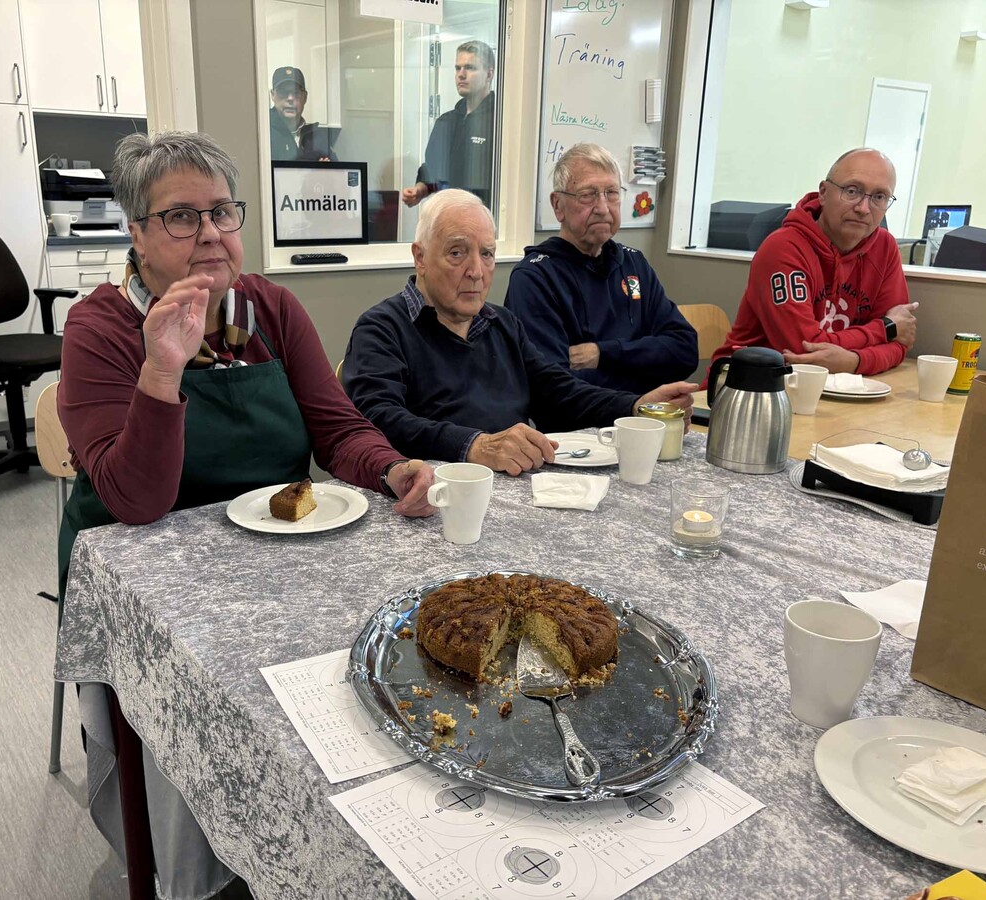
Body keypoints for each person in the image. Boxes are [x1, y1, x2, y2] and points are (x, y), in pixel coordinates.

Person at [57, 130, 434, 899]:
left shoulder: (270, 308)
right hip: (145, 576)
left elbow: (336, 428)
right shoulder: (99, 330)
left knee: (367, 675)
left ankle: (327, 839)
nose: (209, 234)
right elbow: (135, 501)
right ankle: (201, 867)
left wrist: (389, 466)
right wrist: (162, 368)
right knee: (202, 707)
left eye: (222, 212)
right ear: (136, 234)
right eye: (180, 217)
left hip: (278, 556)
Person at [342, 189, 697, 476]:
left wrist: (635, 405)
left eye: (487, 254)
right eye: (457, 253)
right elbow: (378, 418)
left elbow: (559, 391)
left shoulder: (503, 323)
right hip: (433, 496)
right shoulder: (382, 329)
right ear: (420, 257)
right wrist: (474, 445)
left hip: (516, 487)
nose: (476, 271)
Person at [504, 142, 698, 394]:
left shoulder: (634, 265)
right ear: (558, 205)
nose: (603, 208)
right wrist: (643, 369)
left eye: (612, 193)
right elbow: (553, 388)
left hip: (642, 411)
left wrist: (603, 354)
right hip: (582, 419)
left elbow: (685, 351)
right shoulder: (535, 278)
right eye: (588, 194)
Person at [710, 147, 918, 375]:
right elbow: (803, 350)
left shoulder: (885, 247)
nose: (863, 208)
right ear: (823, 193)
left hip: (836, 387)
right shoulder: (783, 248)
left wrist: (854, 361)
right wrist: (885, 329)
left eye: (879, 197)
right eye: (851, 191)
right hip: (754, 383)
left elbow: (900, 342)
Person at [401, 40, 496, 209]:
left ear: (489, 74)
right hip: (447, 216)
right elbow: (432, 171)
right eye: (458, 68)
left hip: (483, 219)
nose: (461, 74)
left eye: (470, 68)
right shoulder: (445, 122)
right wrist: (419, 190)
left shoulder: (499, 122)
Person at [268, 66, 336, 161]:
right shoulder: (264, 132)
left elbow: (338, 168)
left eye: (296, 93)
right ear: (272, 95)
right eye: (283, 92)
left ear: (305, 97)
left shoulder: (316, 137)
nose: (290, 98)